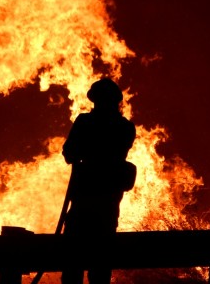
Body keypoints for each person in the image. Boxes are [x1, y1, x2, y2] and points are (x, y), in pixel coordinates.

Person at [60, 77, 137, 284]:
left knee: (73, 264)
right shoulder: (126, 127)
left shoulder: (85, 122)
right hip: (109, 204)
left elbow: (69, 154)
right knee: (100, 266)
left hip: (85, 201)